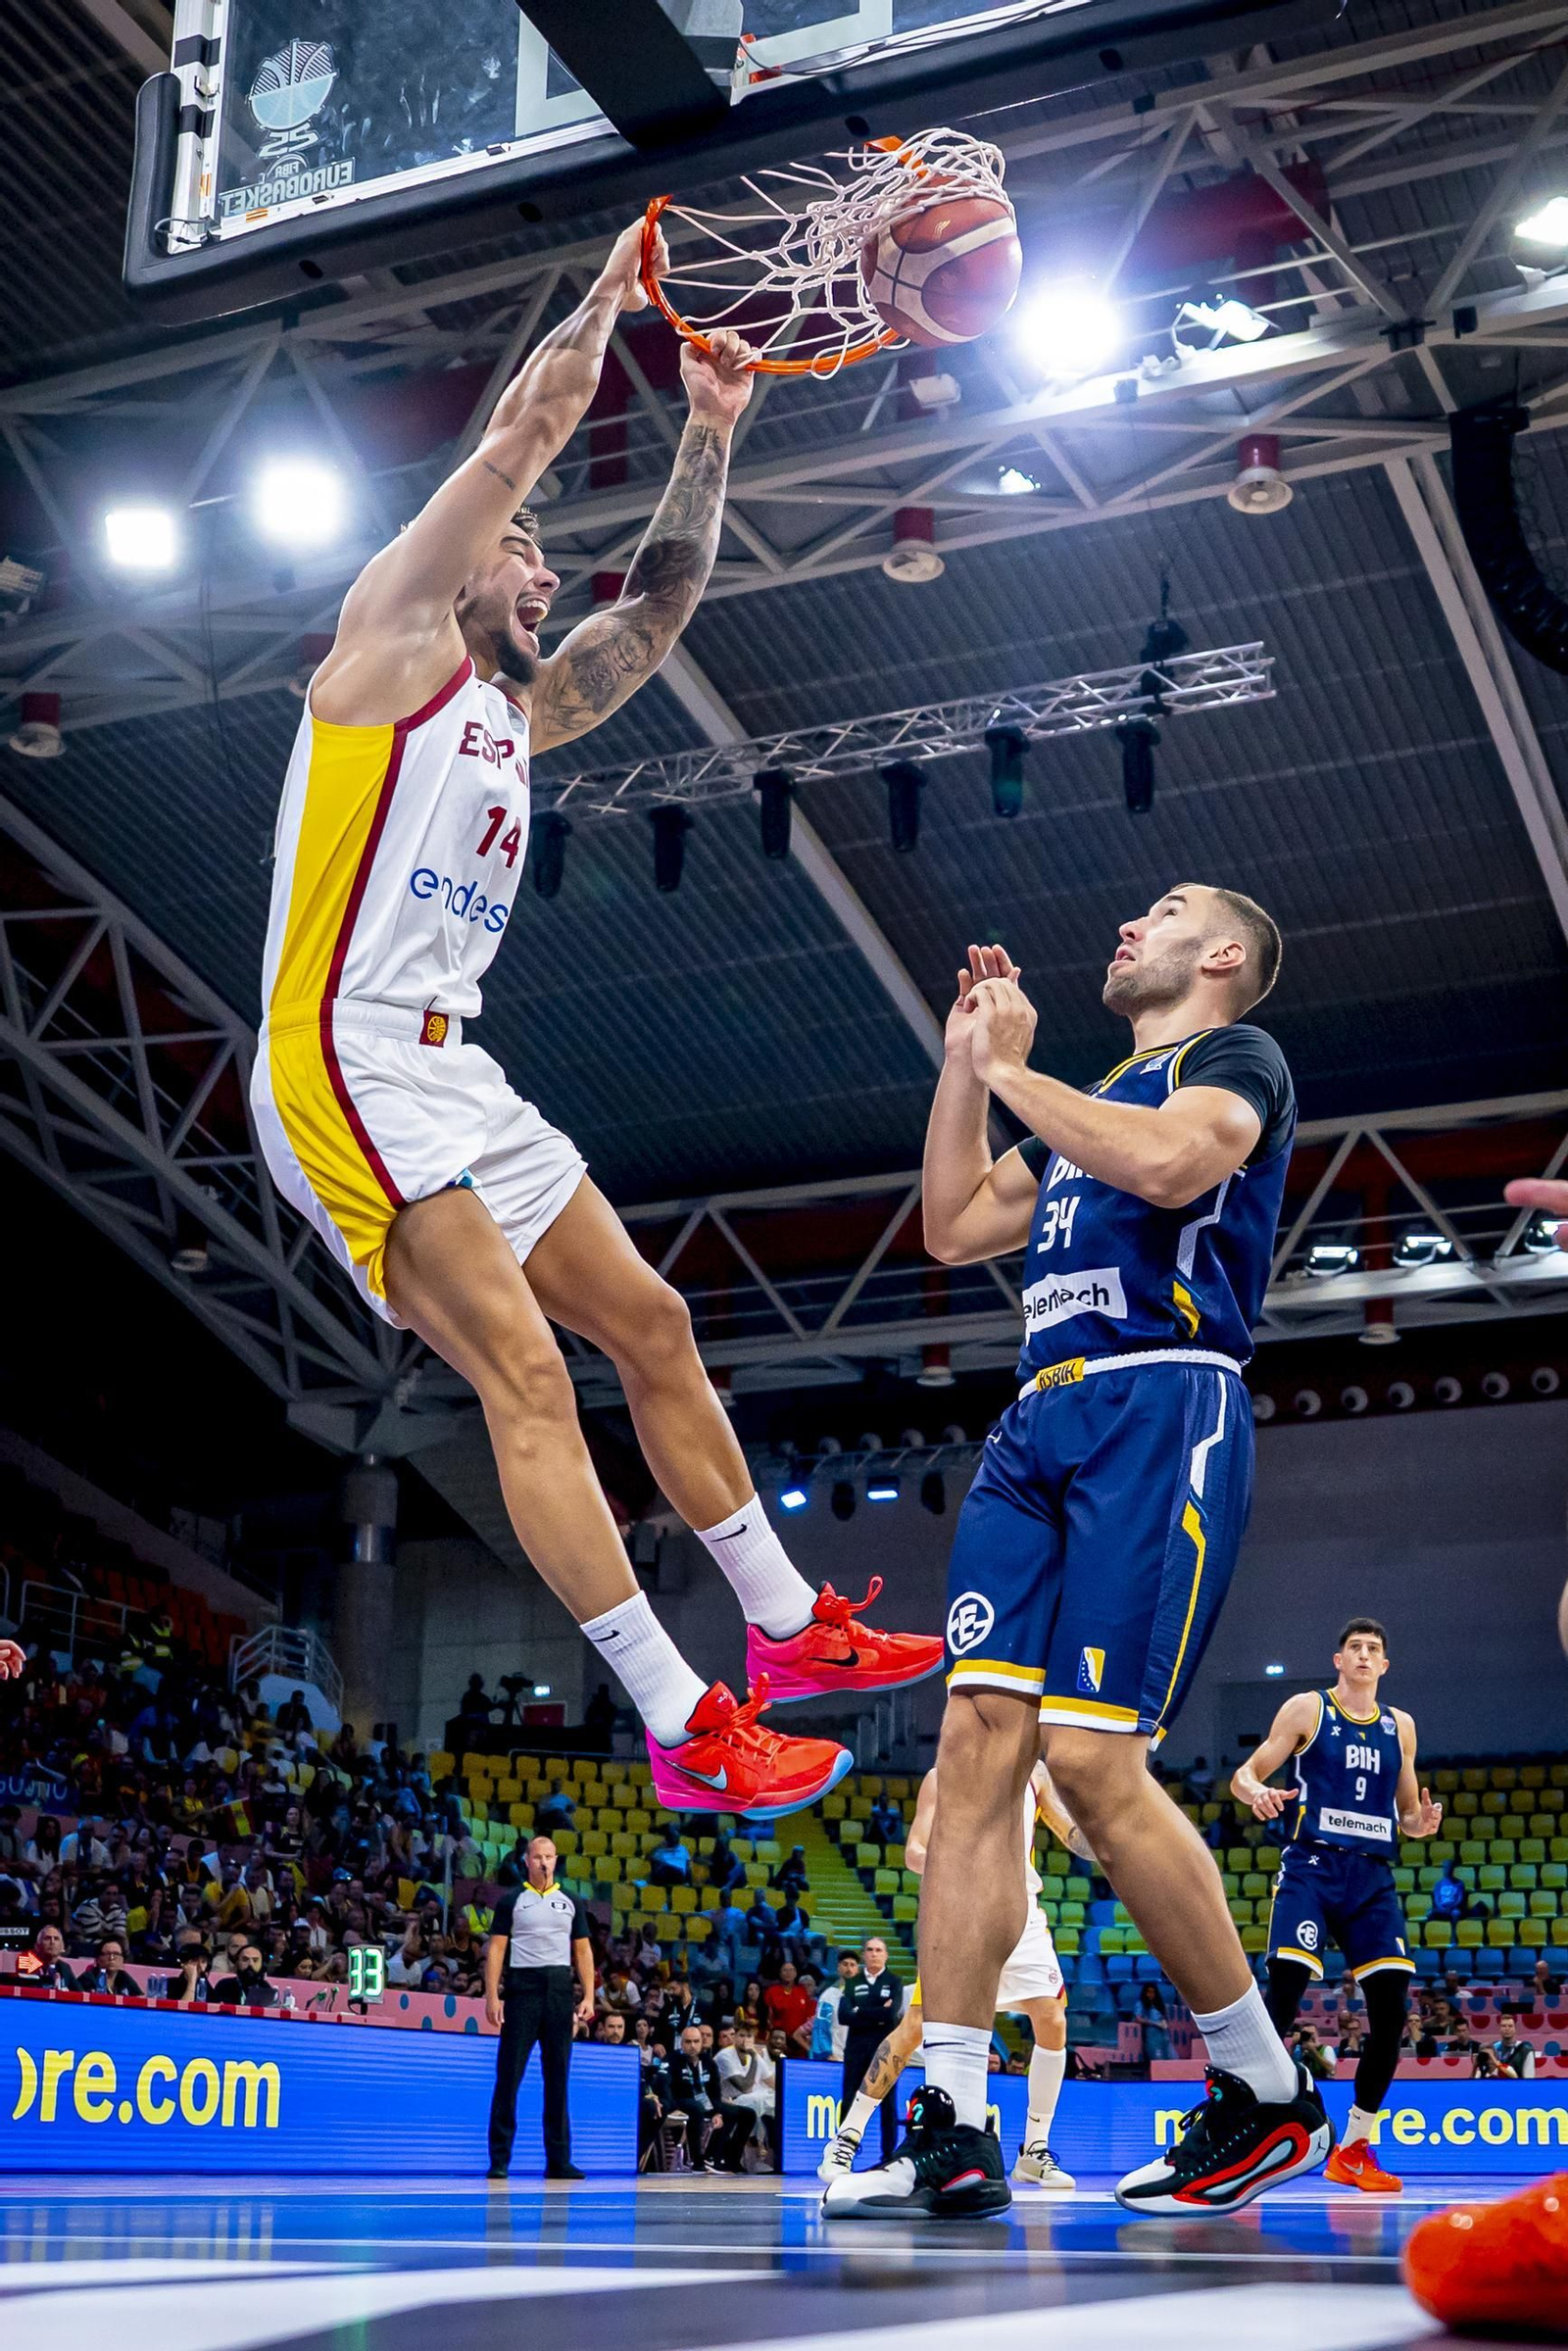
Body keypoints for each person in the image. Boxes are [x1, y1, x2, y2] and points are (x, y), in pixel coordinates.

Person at [247, 218, 940, 1821]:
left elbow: (658, 611)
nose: (548, 571)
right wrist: (607, 300)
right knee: (530, 1377)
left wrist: (710, 430)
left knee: (656, 1324)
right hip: (345, 1059)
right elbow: (526, 427)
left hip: (456, 1067)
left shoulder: (511, 708)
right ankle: (680, 1719)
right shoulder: (388, 640)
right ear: (460, 555)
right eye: (528, 550)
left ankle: (787, 1627)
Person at [861, 893, 1328, 2221]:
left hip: (1161, 1397)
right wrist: (966, 1066)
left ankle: (1266, 2085)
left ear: (1223, 954)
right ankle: (956, 2119)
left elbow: (1177, 1167)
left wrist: (1015, 1070)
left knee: (1089, 1759)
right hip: (1035, 1419)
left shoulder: (1232, 1058)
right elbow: (953, 1220)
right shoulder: (1082, 1107)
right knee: (974, 1753)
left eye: (1166, 911)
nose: (1131, 920)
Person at [1236, 1618, 1442, 2197]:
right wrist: (1257, 1792)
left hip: (1372, 1877)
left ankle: (1353, 2147)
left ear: (1385, 1666)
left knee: (1392, 2011)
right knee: (1285, 1990)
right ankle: (1240, 2119)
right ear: (1338, 1659)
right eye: (1355, 1647)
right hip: (1313, 1866)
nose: (1364, 1655)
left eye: (1374, 1649)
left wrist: (1421, 1823)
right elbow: (1245, 1775)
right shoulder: (1308, 1709)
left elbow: (1407, 1813)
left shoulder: (1401, 1726)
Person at [822, 1760, 1080, 2206]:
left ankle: (1034, 2150)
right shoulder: (943, 1774)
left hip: (1020, 1912)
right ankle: (846, 2137)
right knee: (914, 2027)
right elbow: (915, 1851)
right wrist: (958, 1865)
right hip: (960, 1914)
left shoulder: (1034, 1774)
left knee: (1052, 2018)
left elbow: (1071, 1830)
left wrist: (1104, 1834)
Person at [484, 1833, 593, 2180]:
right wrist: (492, 1995)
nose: (544, 1862)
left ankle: (559, 2160)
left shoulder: (571, 1900)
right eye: (537, 1857)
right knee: (509, 2076)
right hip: (523, 1989)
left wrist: (588, 1995)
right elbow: (497, 1948)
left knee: (558, 2078)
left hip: (559, 1989)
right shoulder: (512, 1900)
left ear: (556, 1860)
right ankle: (499, 2159)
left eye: (549, 1856)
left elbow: (583, 1949)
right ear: (527, 1861)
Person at [834, 1936, 905, 2167]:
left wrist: (860, 2010)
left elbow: (891, 2014)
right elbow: (844, 2016)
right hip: (856, 2050)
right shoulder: (853, 1982)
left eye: (878, 1950)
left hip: (885, 2050)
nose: (874, 1953)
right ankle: (844, 2153)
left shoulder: (894, 1981)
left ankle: (888, 2156)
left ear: (886, 1955)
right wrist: (876, 2011)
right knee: (849, 2099)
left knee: (888, 2102)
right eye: (870, 1950)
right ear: (864, 1954)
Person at [665, 2022, 728, 2173]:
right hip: (679, 2101)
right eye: (688, 2042)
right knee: (696, 2108)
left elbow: (715, 2090)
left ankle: (718, 2158)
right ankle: (697, 2160)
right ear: (681, 2043)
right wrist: (672, 2107)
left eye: (696, 2041)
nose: (692, 2046)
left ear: (701, 2043)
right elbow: (663, 2085)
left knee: (743, 2113)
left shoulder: (708, 2062)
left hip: (702, 2102)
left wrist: (717, 2112)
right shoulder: (672, 2059)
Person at [812, 1952, 858, 2058]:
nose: (849, 1969)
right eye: (845, 1964)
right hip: (835, 2056)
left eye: (852, 1965)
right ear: (838, 1968)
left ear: (857, 1970)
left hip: (857, 2058)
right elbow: (821, 2027)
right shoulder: (828, 1996)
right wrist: (828, 2054)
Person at [209, 1941, 279, 2007]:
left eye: (255, 1960)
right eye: (245, 1959)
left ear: (262, 1965)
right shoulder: (224, 1985)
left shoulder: (265, 1988)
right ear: (237, 1963)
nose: (250, 1964)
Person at [1494, 2016, 1537, 2081]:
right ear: (1499, 2029)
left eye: (1510, 2026)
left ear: (1515, 2029)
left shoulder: (1526, 2050)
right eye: (1503, 2026)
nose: (1507, 2029)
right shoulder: (1492, 2048)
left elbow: (1529, 2079)